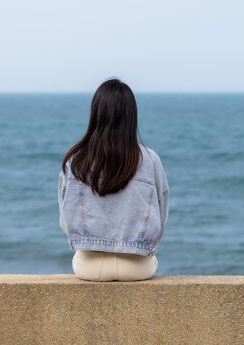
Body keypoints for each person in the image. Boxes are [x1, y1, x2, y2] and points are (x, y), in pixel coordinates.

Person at [58, 77, 169, 281]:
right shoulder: (151, 160)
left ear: (95, 114)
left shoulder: (74, 160)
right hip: (137, 267)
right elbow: (161, 216)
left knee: (80, 258)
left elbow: (66, 219)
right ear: (131, 117)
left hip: (89, 266)